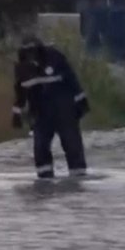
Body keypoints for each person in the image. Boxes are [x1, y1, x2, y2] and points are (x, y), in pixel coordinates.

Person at [12, 36, 89, 179]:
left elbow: (72, 79)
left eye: (32, 51)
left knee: (72, 143)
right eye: (27, 52)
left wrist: (81, 101)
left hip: (64, 109)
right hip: (40, 112)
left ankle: (78, 179)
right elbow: (20, 92)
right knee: (40, 146)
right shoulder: (21, 68)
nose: (30, 55)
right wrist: (17, 113)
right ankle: (44, 179)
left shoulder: (55, 57)